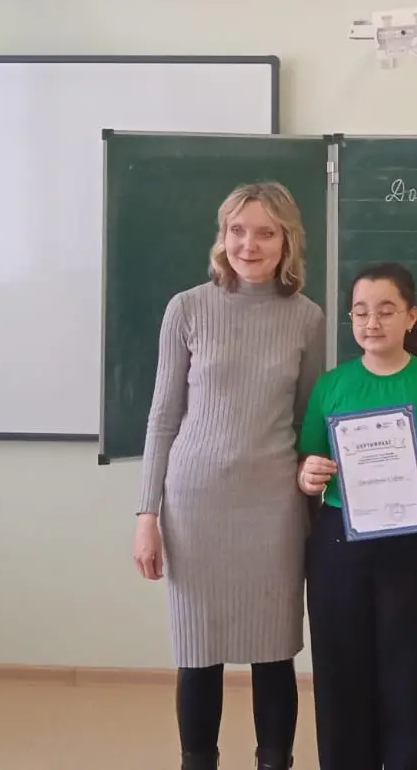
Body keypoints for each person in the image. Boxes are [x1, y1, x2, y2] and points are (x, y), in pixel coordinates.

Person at [133, 182, 326, 770]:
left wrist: (318, 502)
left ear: (287, 241)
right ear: (222, 236)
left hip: (274, 508)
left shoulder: (307, 318)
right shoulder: (187, 308)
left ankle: (274, 761)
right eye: (237, 230)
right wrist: (146, 515)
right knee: (199, 650)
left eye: (265, 232)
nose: (249, 244)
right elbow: (163, 416)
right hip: (195, 506)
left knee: (274, 651)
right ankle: (198, 761)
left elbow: (309, 421)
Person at [296, 262, 417, 770]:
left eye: (385, 310)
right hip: (340, 545)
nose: (371, 322)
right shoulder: (331, 386)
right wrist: (308, 474)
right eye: (360, 312)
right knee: (340, 674)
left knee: (412, 676)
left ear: (411, 317)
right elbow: (307, 466)